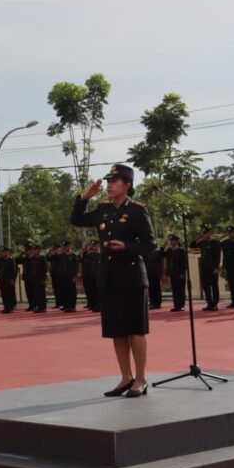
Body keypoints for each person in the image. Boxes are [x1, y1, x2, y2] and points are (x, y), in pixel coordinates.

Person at [70, 164, 155, 399]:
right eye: (107, 182)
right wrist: (84, 197)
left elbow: (149, 245)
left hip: (132, 277)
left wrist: (127, 247)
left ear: (126, 185)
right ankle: (125, 377)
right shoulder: (103, 209)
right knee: (117, 331)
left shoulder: (138, 211)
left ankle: (140, 378)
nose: (108, 186)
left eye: (114, 181)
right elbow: (77, 220)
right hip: (108, 277)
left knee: (136, 330)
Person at [193, 226, 222, 311]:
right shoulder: (202, 242)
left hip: (212, 268)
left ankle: (215, 303)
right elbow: (192, 246)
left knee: (214, 286)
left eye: (206, 233)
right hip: (204, 267)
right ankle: (209, 303)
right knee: (206, 286)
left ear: (210, 233)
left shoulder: (215, 242)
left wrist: (216, 267)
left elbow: (218, 256)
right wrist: (197, 238)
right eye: (204, 233)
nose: (205, 235)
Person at [164, 235, 188, 311]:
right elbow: (161, 254)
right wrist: (163, 246)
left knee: (180, 289)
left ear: (177, 241)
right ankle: (176, 305)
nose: (172, 242)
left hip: (179, 273)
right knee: (174, 290)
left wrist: (182, 273)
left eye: (174, 241)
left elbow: (184, 263)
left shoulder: (181, 250)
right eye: (171, 241)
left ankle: (181, 305)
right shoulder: (169, 250)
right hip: (172, 273)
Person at [0, 247, 18, 313]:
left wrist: (12, 279)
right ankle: (6, 307)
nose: (4, 253)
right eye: (3, 252)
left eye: (5, 252)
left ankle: (10, 308)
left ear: (8, 252)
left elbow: (13, 271)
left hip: (8, 279)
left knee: (9, 294)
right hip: (2, 279)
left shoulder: (11, 260)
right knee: (4, 294)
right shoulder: (1, 260)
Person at [80, 244, 101, 312]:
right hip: (92, 275)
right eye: (93, 246)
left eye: (96, 246)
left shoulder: (102, 254)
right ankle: (94, 305)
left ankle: (99, 306)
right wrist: (84, 252)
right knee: (93, 292)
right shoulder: (91, 255)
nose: (94, 247)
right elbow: (81, 259)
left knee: (98, 292)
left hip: (99, 276)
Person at [145, 245, 164, 309]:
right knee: (151, 289)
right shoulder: (147, 253)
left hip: (156, 274)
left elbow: (161, 263)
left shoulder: (158, 253)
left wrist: (161, 273)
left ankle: (158, 303)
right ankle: (152, 302)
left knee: (157, 288)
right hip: (149, 273)